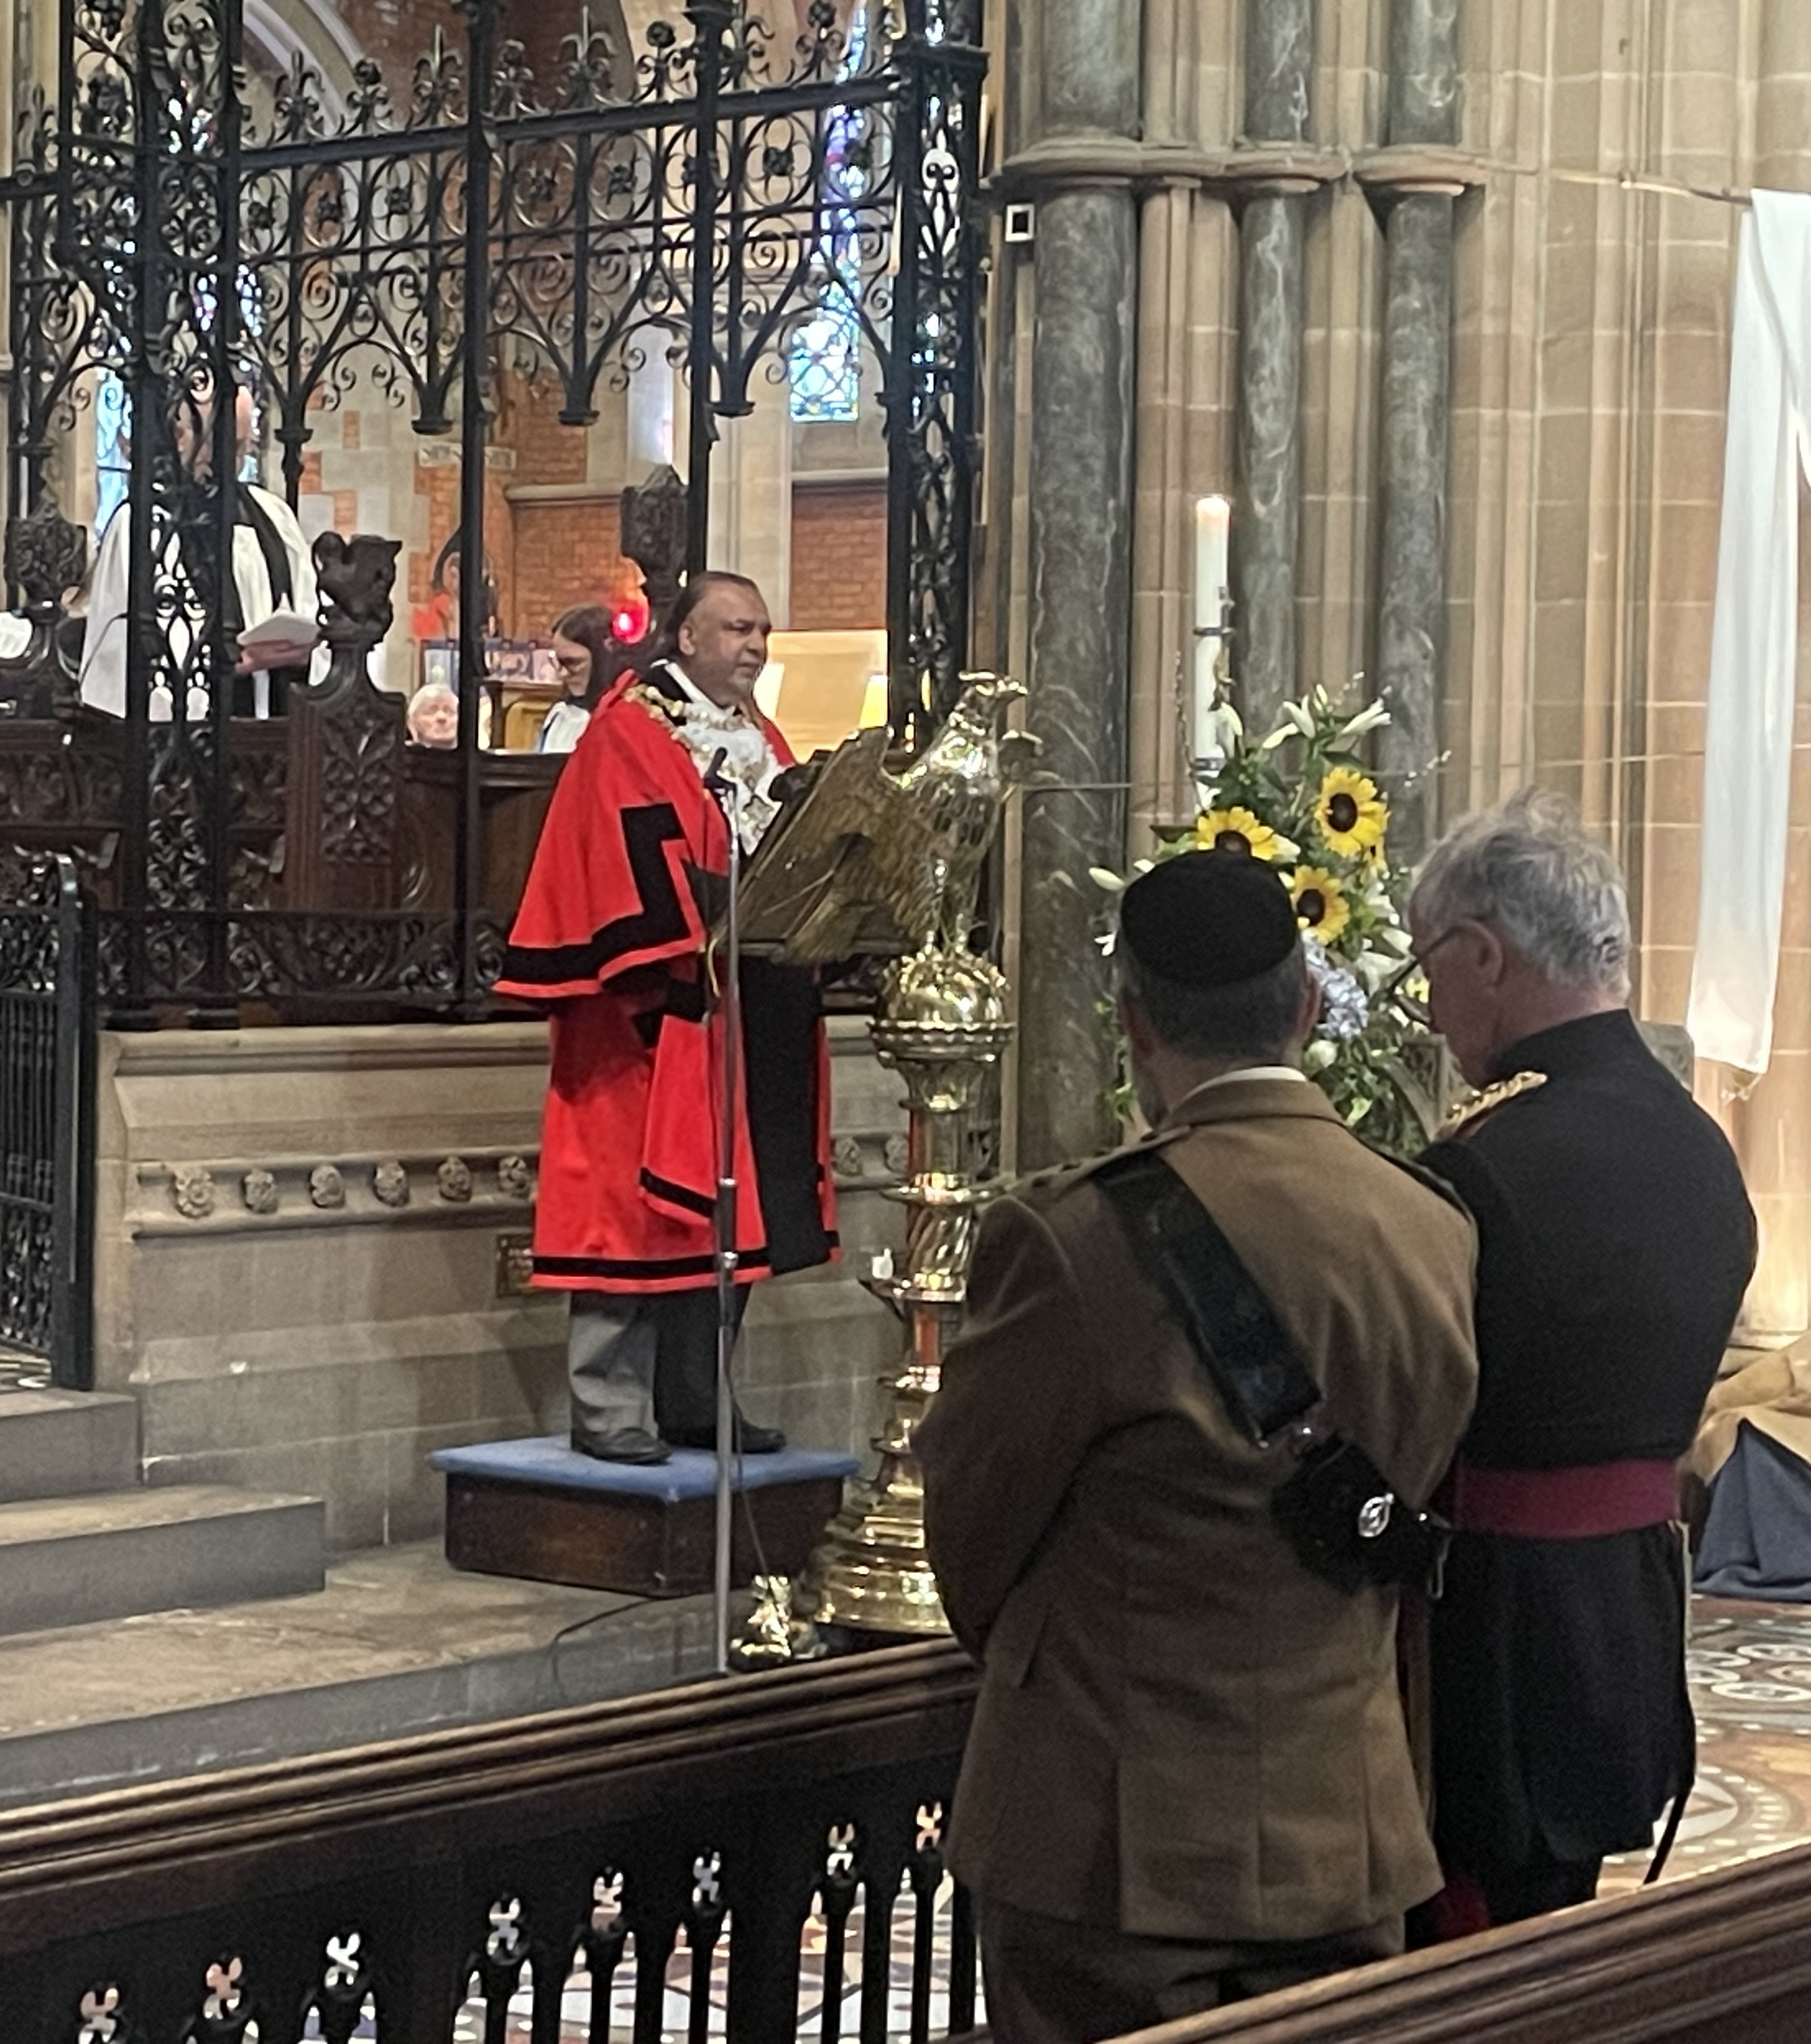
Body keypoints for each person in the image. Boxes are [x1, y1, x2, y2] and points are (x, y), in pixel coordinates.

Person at [917, 850, 1480, 2044]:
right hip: (1348, 1821)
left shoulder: (1070, 1239)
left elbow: (970, 1537)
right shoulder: (1429, 1223)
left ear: (1131, 1022)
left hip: (1113, 1842)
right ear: (1311, 1005)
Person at [1408, 792, 1756, 1932]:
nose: (1426, 1000)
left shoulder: (1486, 1162)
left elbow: (1415, 1407)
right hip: (1631, 1611)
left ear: (1484, 953)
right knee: (1561, 1940)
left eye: (1431, 967)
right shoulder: (1702, 1149)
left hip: (1488, 1639)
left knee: (1462, 1953)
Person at [493, 572, 834, 1464]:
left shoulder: (759, 736)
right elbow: (621, 855)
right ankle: (610, 1410)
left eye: (763, 630)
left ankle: (696, 1401)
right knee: (631, 1210)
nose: (755, 647)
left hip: (741, 1000)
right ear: (684, 638)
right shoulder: (630, 732)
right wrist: (700, 926)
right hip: (646, 1012)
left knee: (729, 1211)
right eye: (736, 629)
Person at [76, 384, 321, 721]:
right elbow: (128, 645)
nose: (231, 461)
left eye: (239, 448)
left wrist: (303, 650)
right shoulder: (142, 524)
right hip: (184, 735)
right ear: (180, 437)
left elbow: (309, 610)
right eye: (217, 445)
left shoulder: (274, 517)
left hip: (275, 725)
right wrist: (229, 661)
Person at [535, 602, 618, 754]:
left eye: (573, 663)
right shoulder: (558, 716)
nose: (562, 674)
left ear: (604, 658)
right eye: (557, 661)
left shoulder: (617, 724)